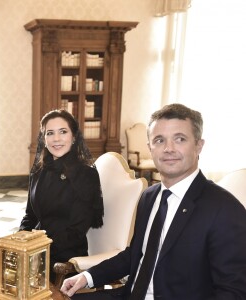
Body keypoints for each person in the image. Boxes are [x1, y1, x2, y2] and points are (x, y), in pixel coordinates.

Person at [60, 103, 246, 300]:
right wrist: (88, 277)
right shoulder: (149, 196)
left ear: (198, 146)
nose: (168, 148)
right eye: (159, 140)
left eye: (180, 139)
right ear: (150, 148)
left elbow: (233, 291)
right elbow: (135, 255)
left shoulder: (225, 210)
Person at [19, 109, 104, 282]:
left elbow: (76, 232)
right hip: (34, 253)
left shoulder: (86, 175)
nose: (56, 139)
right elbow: (30, 215)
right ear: (44, 139)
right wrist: (20, 240)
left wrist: (37, 248)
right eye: (50, 133)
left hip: (65, 264)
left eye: (63, 132)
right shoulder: (38, 171)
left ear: (74, 137)